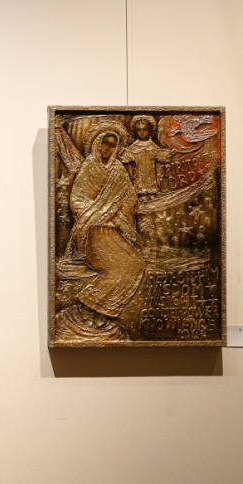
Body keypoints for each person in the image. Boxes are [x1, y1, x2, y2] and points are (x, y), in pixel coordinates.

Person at [58, 123, 145, 337]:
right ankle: (89, 307)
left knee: (137, 264)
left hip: (115, 230)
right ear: (97, 144)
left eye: (112, 145)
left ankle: (99, 310)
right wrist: (102, 213)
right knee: (119, 268)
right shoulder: (89, 167)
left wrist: (115, 215)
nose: (107, 148)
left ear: (116, 148)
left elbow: (130, 201)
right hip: (92, 232)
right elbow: (77, 201)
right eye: (105, 143)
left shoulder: (118, 171)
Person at [119, 115, 174, 200]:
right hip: (139, 176)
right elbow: (127, 156)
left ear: (149, 130)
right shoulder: (134, 146)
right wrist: (121, 152)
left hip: (150, 176)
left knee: (152, 195)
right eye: (139, 130)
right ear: (135, 131)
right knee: (141, 196)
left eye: (145, 129)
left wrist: (168, 153)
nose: (142, 132)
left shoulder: (152, 146)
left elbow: (159, 155)